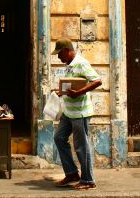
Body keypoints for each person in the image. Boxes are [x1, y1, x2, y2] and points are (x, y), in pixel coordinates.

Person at [51, 38, 102, 190]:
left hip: (80, 113)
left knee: (81, 146)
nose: (58, 57)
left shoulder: (81, 63)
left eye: (60, 54)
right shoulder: (69, 65)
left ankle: (88, 180)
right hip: (68, 112)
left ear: (67, 51)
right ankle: (72, 173)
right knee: (59, 137)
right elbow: (72, 84)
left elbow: (98, 81)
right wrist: (61, 92)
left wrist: (78, 92)